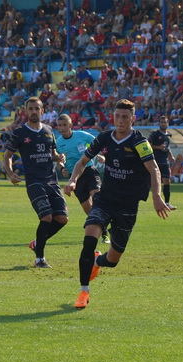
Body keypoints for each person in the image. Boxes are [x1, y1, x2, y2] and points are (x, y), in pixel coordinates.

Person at [64, 99, 170, 309]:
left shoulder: (140, 142)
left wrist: (157, 196)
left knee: (112, 260)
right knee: (89, 237)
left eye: (125, 117)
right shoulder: (104, 138)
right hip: (105, 198)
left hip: (128, 205)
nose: (120, 121)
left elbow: (154, 169)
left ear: (133, 118)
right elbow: (82, 162)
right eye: (117, 116)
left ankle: (97, 262)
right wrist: (72, 180)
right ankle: (83, 291)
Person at [3, 97, 67, 268]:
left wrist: (59, 158)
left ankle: (37, 242)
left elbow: (52, 153)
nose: (33, 111)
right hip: (34, 182)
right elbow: (7, 156)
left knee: (62, 218)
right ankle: (40, 259)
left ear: (42, 111)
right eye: (30, 108)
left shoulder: (48, 130)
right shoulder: (19, 133)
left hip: (51, 180)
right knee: (46, 216)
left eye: (36, 108)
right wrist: (10, 173)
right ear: (25, 111)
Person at [54, 113, 110, 244]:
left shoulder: (82, 136)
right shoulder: (58, 143)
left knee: (97, 196)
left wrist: (102, 156)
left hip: (89, 171)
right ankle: (103, 229)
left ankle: (105, 232)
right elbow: (58, 161)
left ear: (71, 125)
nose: (63, 128)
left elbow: (98, 144)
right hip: (75, 178)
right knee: (88, 209)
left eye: (65, 125)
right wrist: (62, 168)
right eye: (60, 126)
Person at [149, 115, 177, 209]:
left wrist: (171, 156)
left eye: (165, 122)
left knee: (167, 181)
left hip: (165, 162)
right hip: (155, 161)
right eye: (161, 122)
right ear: (159, 124)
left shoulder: (168, 135)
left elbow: (167, 147)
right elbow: (148, 145)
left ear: (167, 123)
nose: (163, 124)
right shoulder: (155, 134)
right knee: (152, 183)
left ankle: (167, 203)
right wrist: (158, 147)